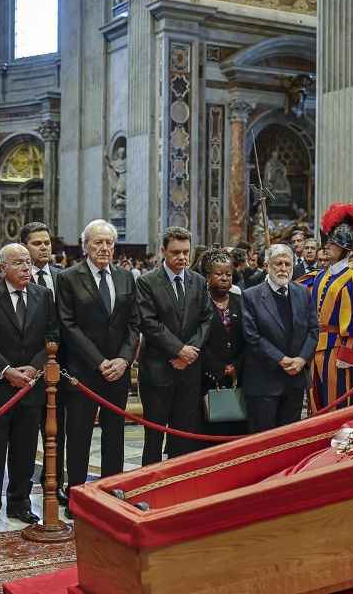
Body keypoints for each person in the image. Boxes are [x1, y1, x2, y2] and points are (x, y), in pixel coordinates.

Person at [0, 243, 59, 528]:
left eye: (28, 263)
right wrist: (5, 370)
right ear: (3, 267)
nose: (26, 268)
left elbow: (53, 335)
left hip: (31, 386)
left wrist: (35, 366)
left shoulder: (43, 295)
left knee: (25, 449)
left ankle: (20, 503)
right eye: (18, 263)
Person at [57, 219, 138, 516]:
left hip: (118, 370)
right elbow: (68, 325)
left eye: (109, 243)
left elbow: (133, 323)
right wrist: (99, 361)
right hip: (83, 372)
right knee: (78, 437)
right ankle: (77, 495)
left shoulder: (127, 277)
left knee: (115, 435)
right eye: (98, 242)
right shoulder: (68, 278)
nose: (104, 248)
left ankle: (111, 492)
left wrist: (123, 359)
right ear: (85, 246)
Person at [136, 227, 213, 463]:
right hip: (158, 371)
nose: (182, 257)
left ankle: (179, 486)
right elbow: (149, 323)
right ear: (163, 251)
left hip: (188, 371)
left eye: (186, 252)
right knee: (154, 437)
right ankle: (149, 486)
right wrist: (178, 350)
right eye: (175, 252)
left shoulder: (198, 281)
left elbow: (206, 318)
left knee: (184, 436)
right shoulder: (147, 281)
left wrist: (189, 352)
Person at [300, 204, 353, 410]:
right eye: (326, 241)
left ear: (345, 248)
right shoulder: (320, 276)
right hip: (316, 348)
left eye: (333, 243)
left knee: (339, 402)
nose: (326, 245)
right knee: (316, 402)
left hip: (338, 350)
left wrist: (349, 352)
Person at [242, 244, 319, 433]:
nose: (283, 269)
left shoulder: (302, 292)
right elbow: (252, 336)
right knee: (263, 441)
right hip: (264, 381)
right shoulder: (251, 296)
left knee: (288, 440)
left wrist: (302, 359)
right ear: (267, 266)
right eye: (278, 264)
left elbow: (313, 330)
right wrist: (280, 359)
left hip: (295, 379)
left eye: (288, 264)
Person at [22, 221, 66, 500]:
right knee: (26, 435)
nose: (44, 247)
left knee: (57, 430)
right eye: (37, 243)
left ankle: (57, 483)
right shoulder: (15, 275)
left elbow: (65, 323)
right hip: (24, 368)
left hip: (58, 366)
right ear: (24, 247)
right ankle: (22, 491)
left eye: (47, 243)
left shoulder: (64, 277)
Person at [197, 249, 246, 435]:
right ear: (208, 276)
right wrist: (218, 368)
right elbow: (197, 339)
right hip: (207, 377)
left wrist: (236, 367)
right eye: (218, 274)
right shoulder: (200, 302)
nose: (224, 278)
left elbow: (250, 339)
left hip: (237, 379)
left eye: (228, 274)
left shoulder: (242, 301)